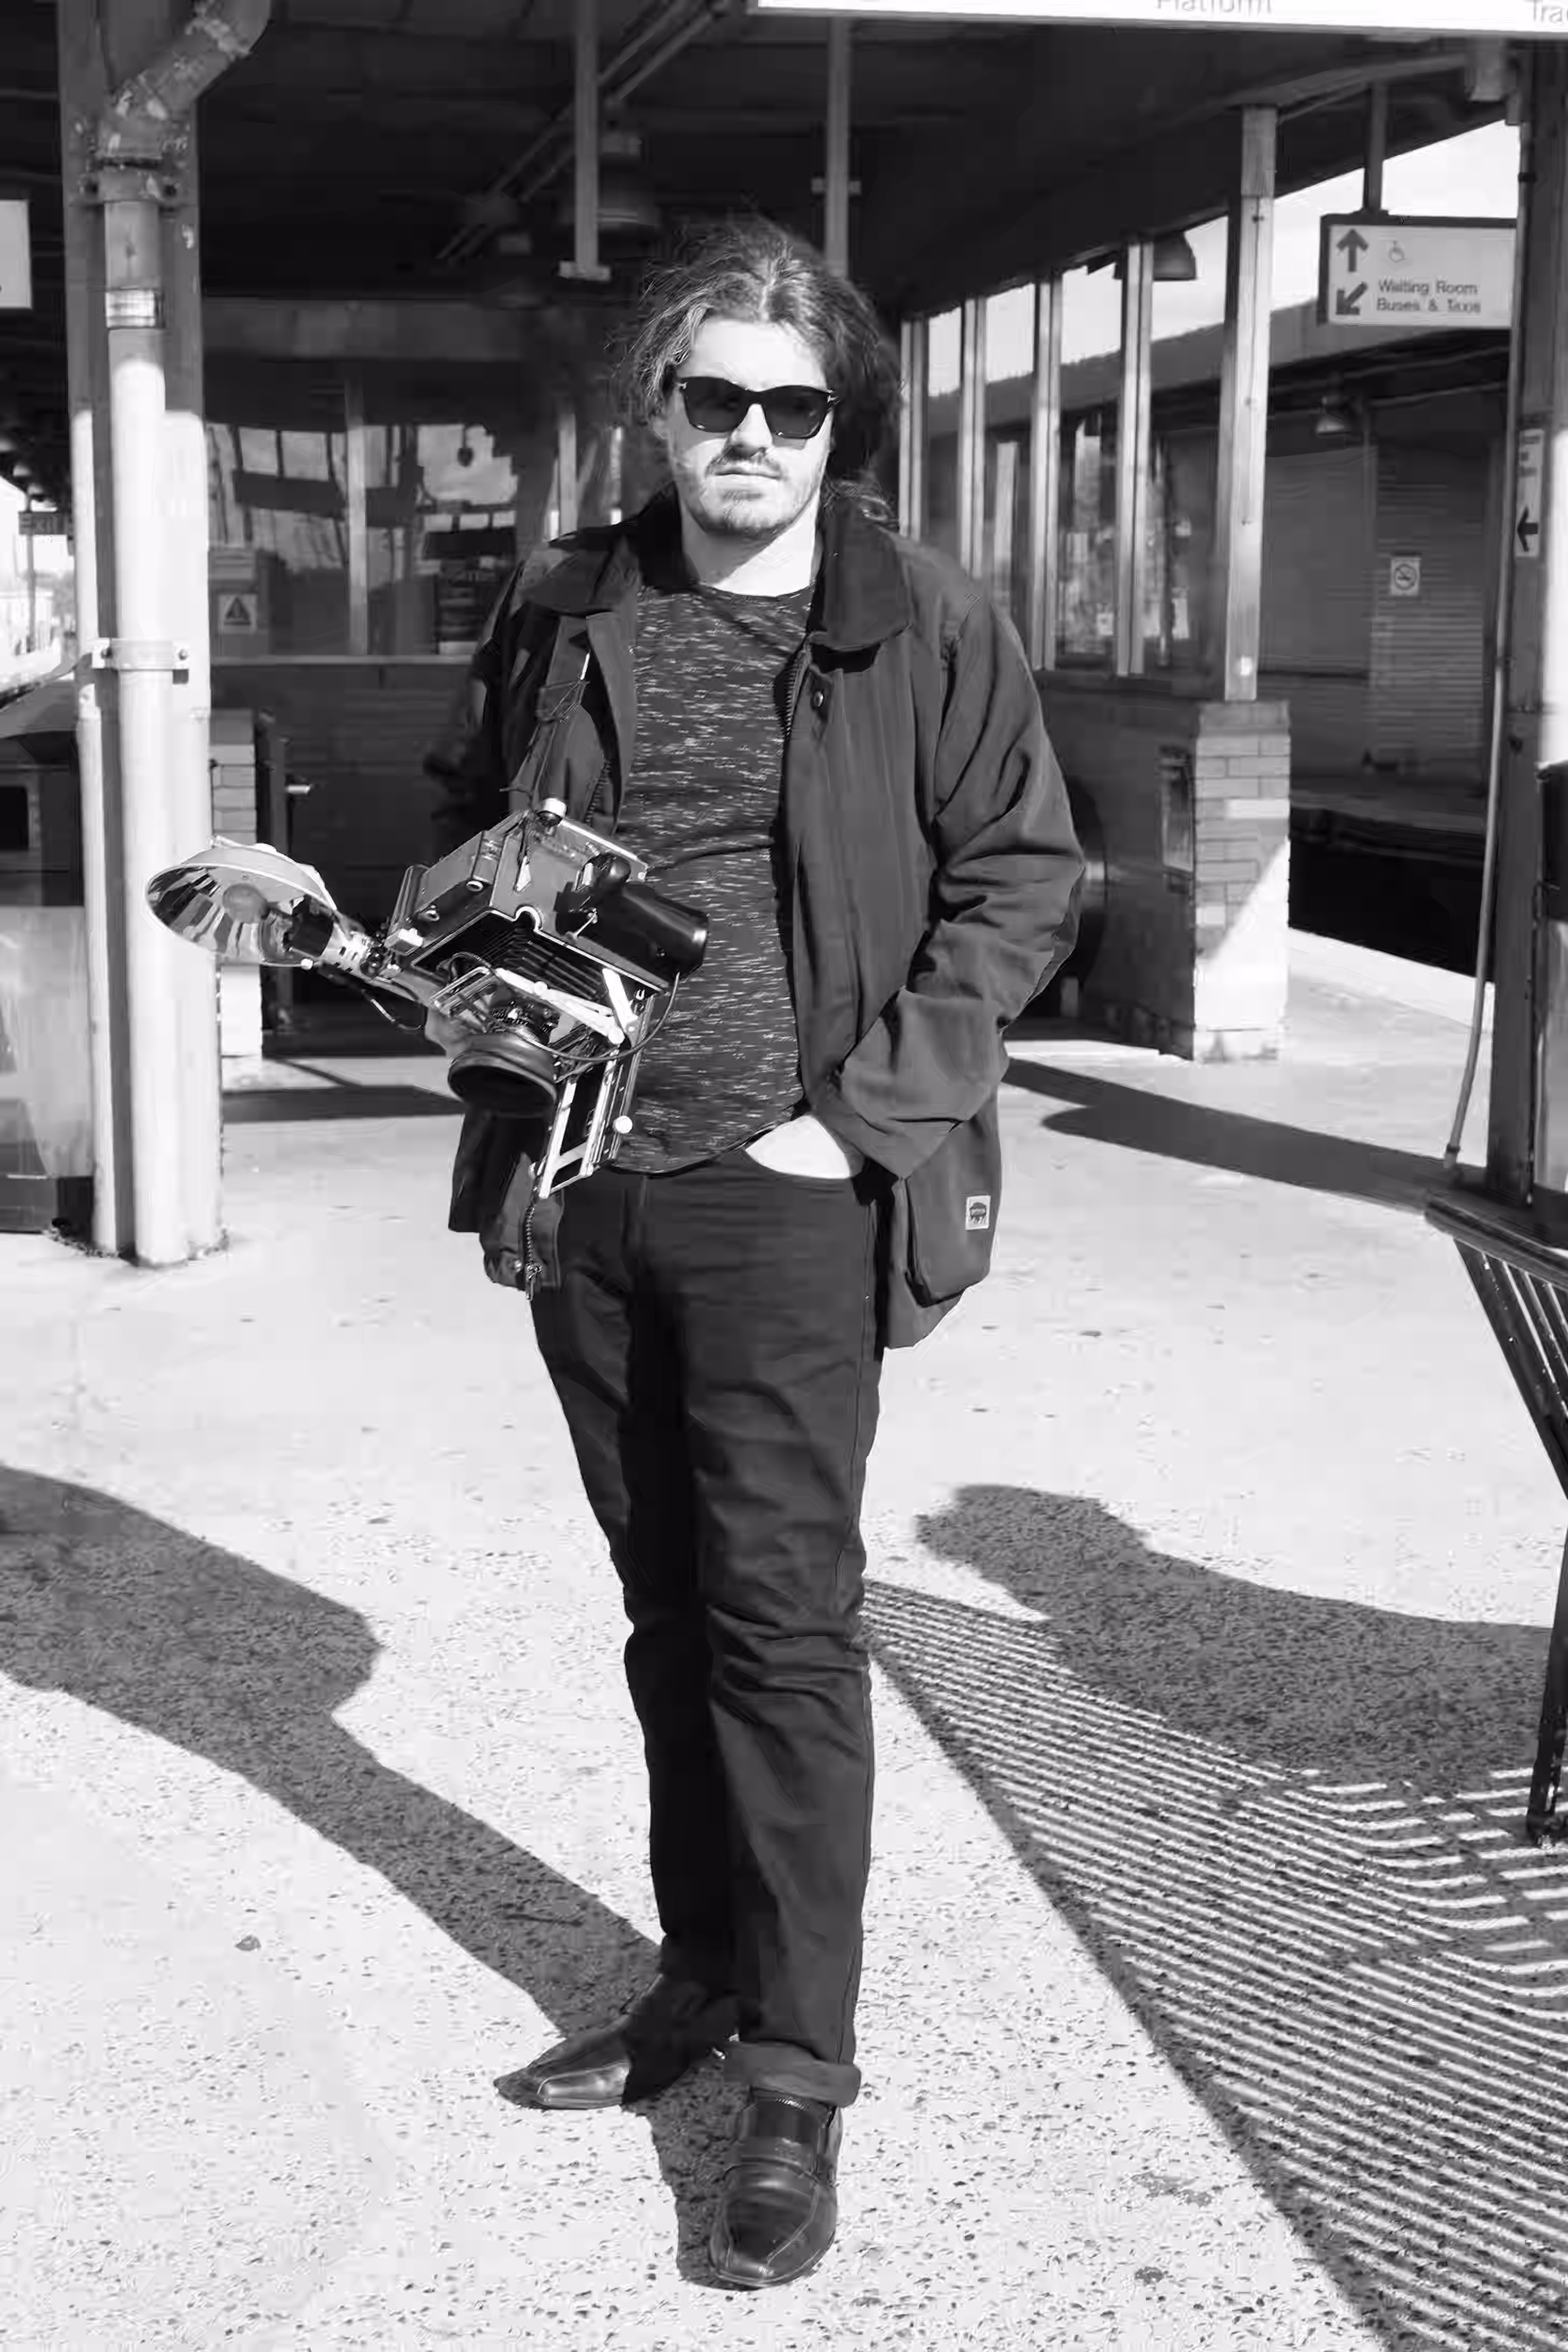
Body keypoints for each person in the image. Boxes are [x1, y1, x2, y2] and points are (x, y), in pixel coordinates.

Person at [424, 218, 1084, 2291]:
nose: (753, 438)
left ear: (836, 426)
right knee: (663, 1609)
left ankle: (799, 2076)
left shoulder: (921, 618)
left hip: (790, 1194)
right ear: (661, 406)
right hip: (584, 1179)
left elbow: (1023, 880)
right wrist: (465, 957)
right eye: (716, 397)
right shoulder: (566, 601)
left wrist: (852, 1127)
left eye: (794, 407)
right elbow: (469, 826)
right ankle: (701, 1975)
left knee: (781, 1633)